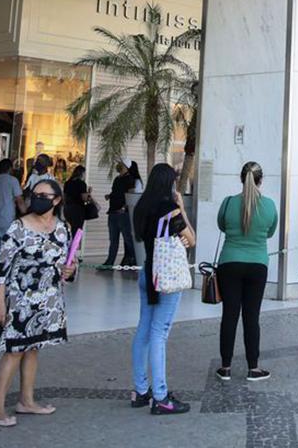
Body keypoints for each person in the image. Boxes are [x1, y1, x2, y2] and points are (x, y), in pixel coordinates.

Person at [0, 178, 76, 427]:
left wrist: (70, 271)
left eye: (44, 195)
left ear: (56, 200)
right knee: (14, 351)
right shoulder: (18, 227)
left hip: (47, 300)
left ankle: (26, 400)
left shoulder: (62, 228)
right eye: (34, 194)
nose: (36, 198)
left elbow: (67, 262)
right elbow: (1, 269)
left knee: (33, 348)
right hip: (19, 299)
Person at [130, 163, 194, 415]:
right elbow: (191, 239)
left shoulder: (142, 206)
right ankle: (160, 396)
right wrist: (182, 208)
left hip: (147, 273)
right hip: (166, 278)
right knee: (159, 333)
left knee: (144, 330)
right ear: (169, 183)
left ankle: (140, 390)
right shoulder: (169, 209)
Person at [215, 162, 278, 382]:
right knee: (252, 317)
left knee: (229, 315)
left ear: (241, 178)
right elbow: (270, 232)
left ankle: (225, 367)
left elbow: (222, 226)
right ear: (260, 180)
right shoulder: (269, 206)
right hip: (257, 264)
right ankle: (253, 367)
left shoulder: (229, 203)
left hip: (229, 262)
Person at [104, 160, 140, 268]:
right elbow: (116, 192)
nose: (119, 166)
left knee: (128, 239)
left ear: (126, 167)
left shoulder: (130, 179)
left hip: (123, 214)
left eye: (122, 165)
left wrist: (125, 207)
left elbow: (131, 194)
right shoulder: (117, 179)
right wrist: (110, 196)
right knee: (113, 240)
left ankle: (135, 260)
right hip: (113, 212)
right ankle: (110, 262)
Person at [62, 165, 90, 237]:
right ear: (82, 173)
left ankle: (68, 244)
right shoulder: (82, 184)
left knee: (68, 228)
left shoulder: (68, 183)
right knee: (77, 231)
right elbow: (84, 198)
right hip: (78, 209)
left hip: (68, 208)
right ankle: (74, 246)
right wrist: (89, 193)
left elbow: (64, 196)